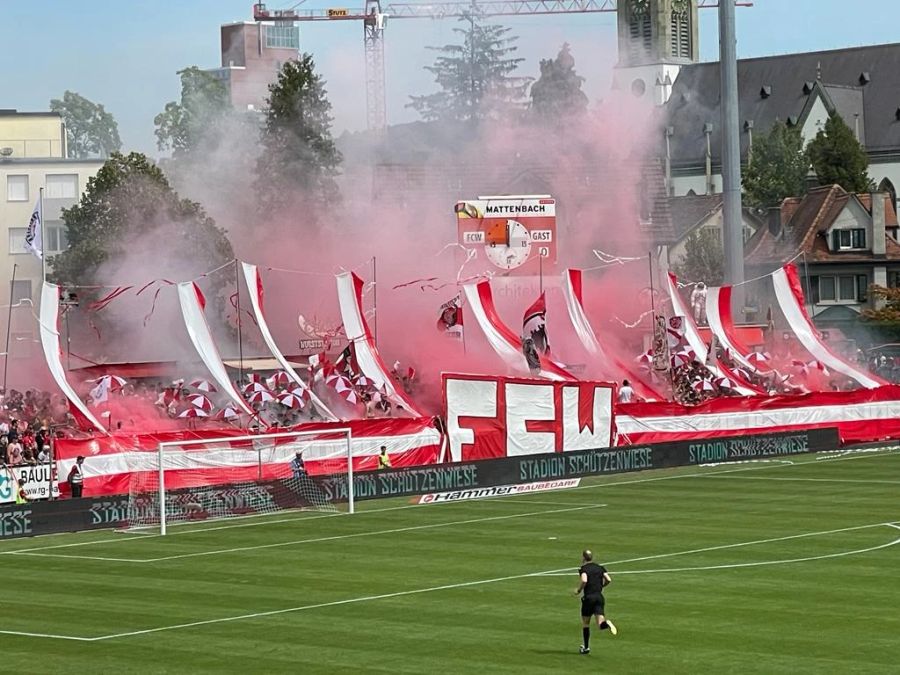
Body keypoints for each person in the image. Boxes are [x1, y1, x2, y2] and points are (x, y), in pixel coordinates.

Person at [574, 549, 617, 655]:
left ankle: (586, 647)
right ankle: (606, 623)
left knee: (586, 623)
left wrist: (579, 590)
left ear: (583, 557)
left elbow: (584, 580)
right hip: (599, 597)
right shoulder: (600, 567)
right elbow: (608, 579)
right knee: (600, 624)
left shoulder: (584, 569)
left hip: (589, 598)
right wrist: (601, 586)